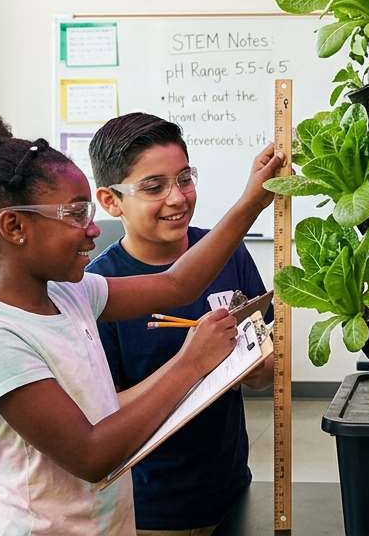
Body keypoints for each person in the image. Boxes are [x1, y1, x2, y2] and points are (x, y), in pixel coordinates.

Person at [0, 113, 281, 535]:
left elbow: (178, 283)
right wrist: (191, 363)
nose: (93, 229)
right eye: (76, 214)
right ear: (14, 226)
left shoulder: (70, 293)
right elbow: (92, 455)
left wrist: (252, 203)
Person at [87, 112, 273, 535]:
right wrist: (195, 362)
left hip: (229, 489)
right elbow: (105, 414)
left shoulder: (229, 252)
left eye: (185, 178)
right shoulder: (98, 290)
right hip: (150, 509)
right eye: (154, 187)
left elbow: (264, 375)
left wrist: (259, 360)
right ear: (110, 200)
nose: (178, 198)